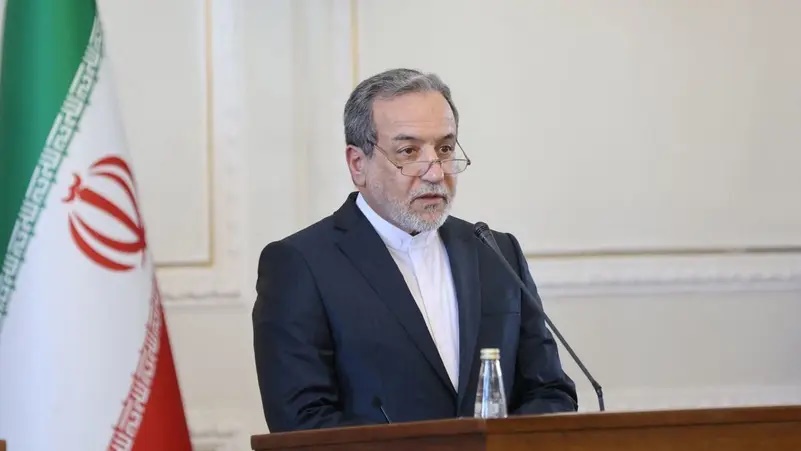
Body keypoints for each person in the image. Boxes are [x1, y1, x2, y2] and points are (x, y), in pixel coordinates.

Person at [252, 68, 578, 433]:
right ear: (358, 164)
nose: (435, 173)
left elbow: (550, 392)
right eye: (408, 151)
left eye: (445, 149)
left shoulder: (495, 252)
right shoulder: (300, 264)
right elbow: (302, 424)